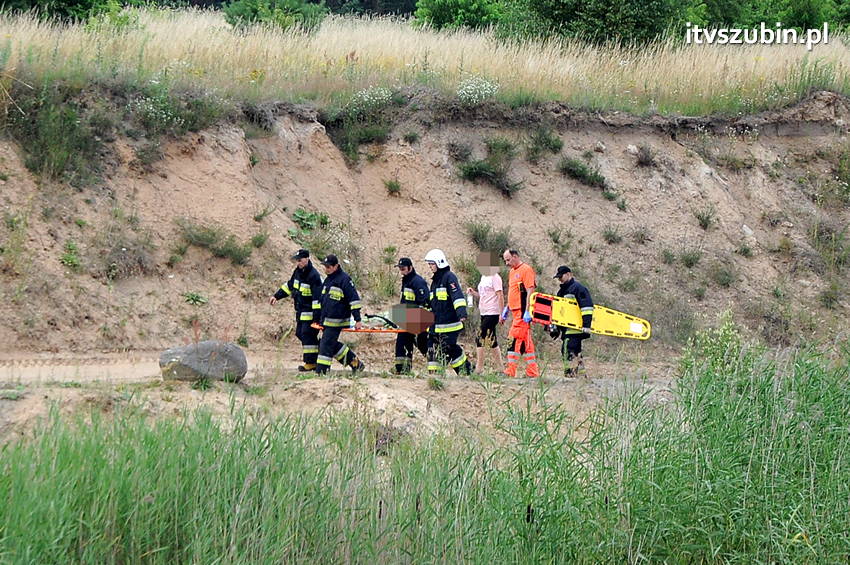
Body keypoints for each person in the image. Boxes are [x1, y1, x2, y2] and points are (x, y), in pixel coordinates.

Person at [269, 248, 323, 372]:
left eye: (300, 260)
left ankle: (310, 363)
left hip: (310, 313)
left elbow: (317, 298)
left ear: (307, 259)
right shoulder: (298, 272)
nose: (298, 263)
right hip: (300, 311)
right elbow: (289, 286)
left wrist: (316, 318)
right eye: (297, 260)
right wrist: (276, 296)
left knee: (306, 334)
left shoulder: (314, 275)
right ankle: (322, 350)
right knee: (300, 334)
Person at [424, 249, 472, 375]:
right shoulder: (435, 282)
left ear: (439, 263)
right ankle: (434, 376)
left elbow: (457, 296)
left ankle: (466, 371)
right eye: (429, 264)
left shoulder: (449, 277)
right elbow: (433, 304)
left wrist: (461, 312)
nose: (430, 267)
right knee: (432, 348)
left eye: (432, 264)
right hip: (436, 325)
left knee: (449, 348)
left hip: (450, 324)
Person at [315, 254, 366, 375]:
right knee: (330, 344)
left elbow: (354, 300)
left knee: (326, 344)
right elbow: (322, 300)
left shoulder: (344, 280)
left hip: (337, 320)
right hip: (326, 320)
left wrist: (358, 319)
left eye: (328, 267)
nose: (326, 269)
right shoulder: (328, 280)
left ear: (336, 266)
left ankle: (322, 372)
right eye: (325, 266)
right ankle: (355, 363)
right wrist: (318, 317)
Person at [501, 249, 540, 378]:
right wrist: (507, 307)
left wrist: (528, 310)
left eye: (508, 260)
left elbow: (530, 291)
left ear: (515, 256)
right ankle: (532, 372)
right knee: (526, 344)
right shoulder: (512, 272)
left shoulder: (526, 270)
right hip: (515, 311)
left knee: (513, 339)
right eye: (505, 260)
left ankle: (510, 371)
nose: (506, 263)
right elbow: (513, 292)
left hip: (523, 311)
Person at [550, 265, 594, 377]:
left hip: (576, 328)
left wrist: (586, 325)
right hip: (567, 329)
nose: (560, 279)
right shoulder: (561, 292)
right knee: (575, 351)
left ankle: (570, 374)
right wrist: (556, 328)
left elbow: (587, 307)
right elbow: (560, 313)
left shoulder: (578, 288)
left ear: (569, 274)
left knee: (568, 350)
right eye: (558, 277)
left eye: (561, 276)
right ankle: (581, 375)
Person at [466, 251, 504, 374]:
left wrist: (501, 313)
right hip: (484, 311)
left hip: (493, 312)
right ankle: (500, 368)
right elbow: (482, 296)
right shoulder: (484, 278)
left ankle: (479, 368)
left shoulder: (495, 277)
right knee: (492, 340)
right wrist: (473, 293)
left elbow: (500, 295)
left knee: (480, 337)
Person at [394, 257, 430, 374]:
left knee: (423, 344)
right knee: (402, 343)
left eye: (403, 268)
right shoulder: (406, 281)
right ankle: (402, 370)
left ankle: (437, 363)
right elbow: (404, 301)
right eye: (400, 269)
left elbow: (425, 302)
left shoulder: (418, 282)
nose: (401, 271)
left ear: (410, 268)